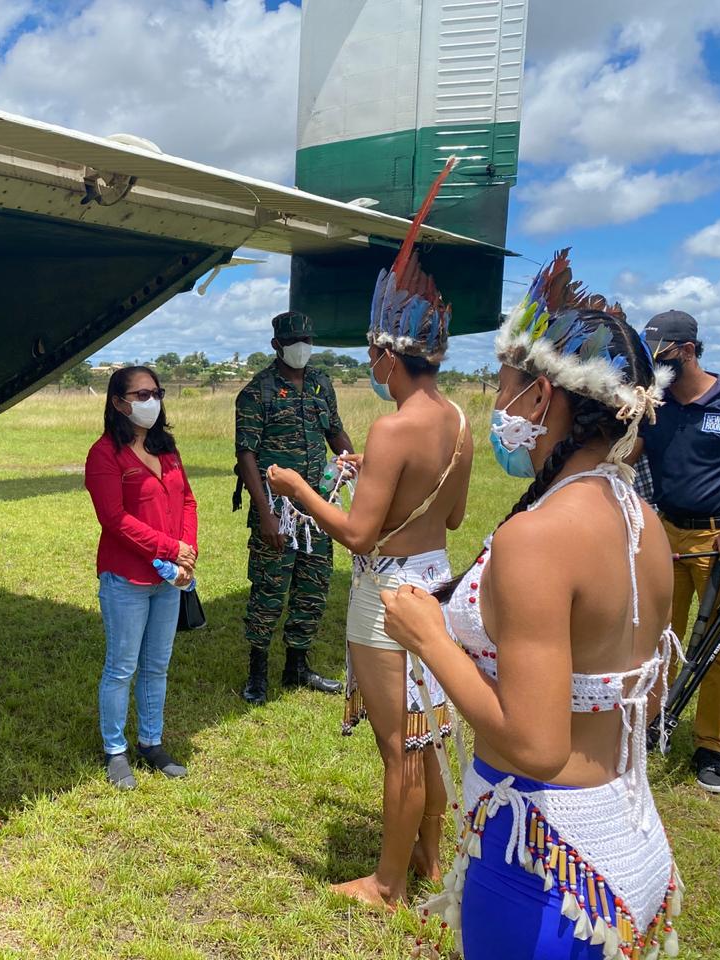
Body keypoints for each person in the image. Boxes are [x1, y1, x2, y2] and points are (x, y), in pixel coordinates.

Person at [382, 250, 683, 959]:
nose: (496, 403)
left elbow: (537, 747)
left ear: (543, 398)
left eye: (503, 385)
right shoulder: (642, 522)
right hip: (625, 839)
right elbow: (648, 687)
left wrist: (431, 638)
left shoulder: (538, 537)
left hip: (545, 865)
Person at [266, 225, 472, 907]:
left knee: (401, 745)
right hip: (437, 583)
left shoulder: (392, 428)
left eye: (372, 355)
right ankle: (431, 860)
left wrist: (296, 488)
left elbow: (359, 535)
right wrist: (376, 478)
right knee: (431, 731)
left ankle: (386, 883)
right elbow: (450, 517)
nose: (370, 366)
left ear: (389, 353)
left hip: (388, 594)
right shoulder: (460, 422)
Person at [638, 310, 720, 793]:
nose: (656, 365)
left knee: (717, 651)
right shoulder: (656, 402)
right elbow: (632, 451)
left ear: (687, 351)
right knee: (657, 637)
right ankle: (649, 725)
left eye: (662, 355)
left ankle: (709, 746)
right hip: (664, 536)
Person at [85, 366, 198, 790]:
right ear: (118, 402)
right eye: (141, 394)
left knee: (156, 665)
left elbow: (187, 500)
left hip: (169, 579)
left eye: (157, 392)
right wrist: (170, 549)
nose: (151, 401)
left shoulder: (165, 448)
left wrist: (187, 552)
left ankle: (151, 743)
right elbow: (113, 519)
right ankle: (115, 750)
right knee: (121, 666)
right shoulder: (104, 454)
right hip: (126, 578)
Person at [234, 310, 352, 705]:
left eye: (306, 339)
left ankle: (297, 667)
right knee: (269, 589)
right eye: (294, 341)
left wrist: (353, 464)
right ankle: (258, 671)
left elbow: (336, 434)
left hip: (317, 507)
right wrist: (265, 513)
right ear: (276, 345)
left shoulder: (321, 384)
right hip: (277, 510)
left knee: (312, 588)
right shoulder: (257, 392)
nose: (302, 347)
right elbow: (246, 455)